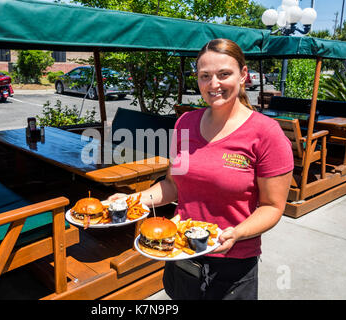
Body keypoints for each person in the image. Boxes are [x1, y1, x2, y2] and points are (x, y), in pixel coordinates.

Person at [108, 38, 294, 300]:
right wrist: (131, 200)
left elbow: (273, 206)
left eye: (224, 74)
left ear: (243, 75)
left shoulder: (266, 133)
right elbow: (173, 185)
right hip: (181, 255)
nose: (213, 84)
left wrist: (238, 232)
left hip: (232, 264)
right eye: (205, 75)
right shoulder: (186, 122)